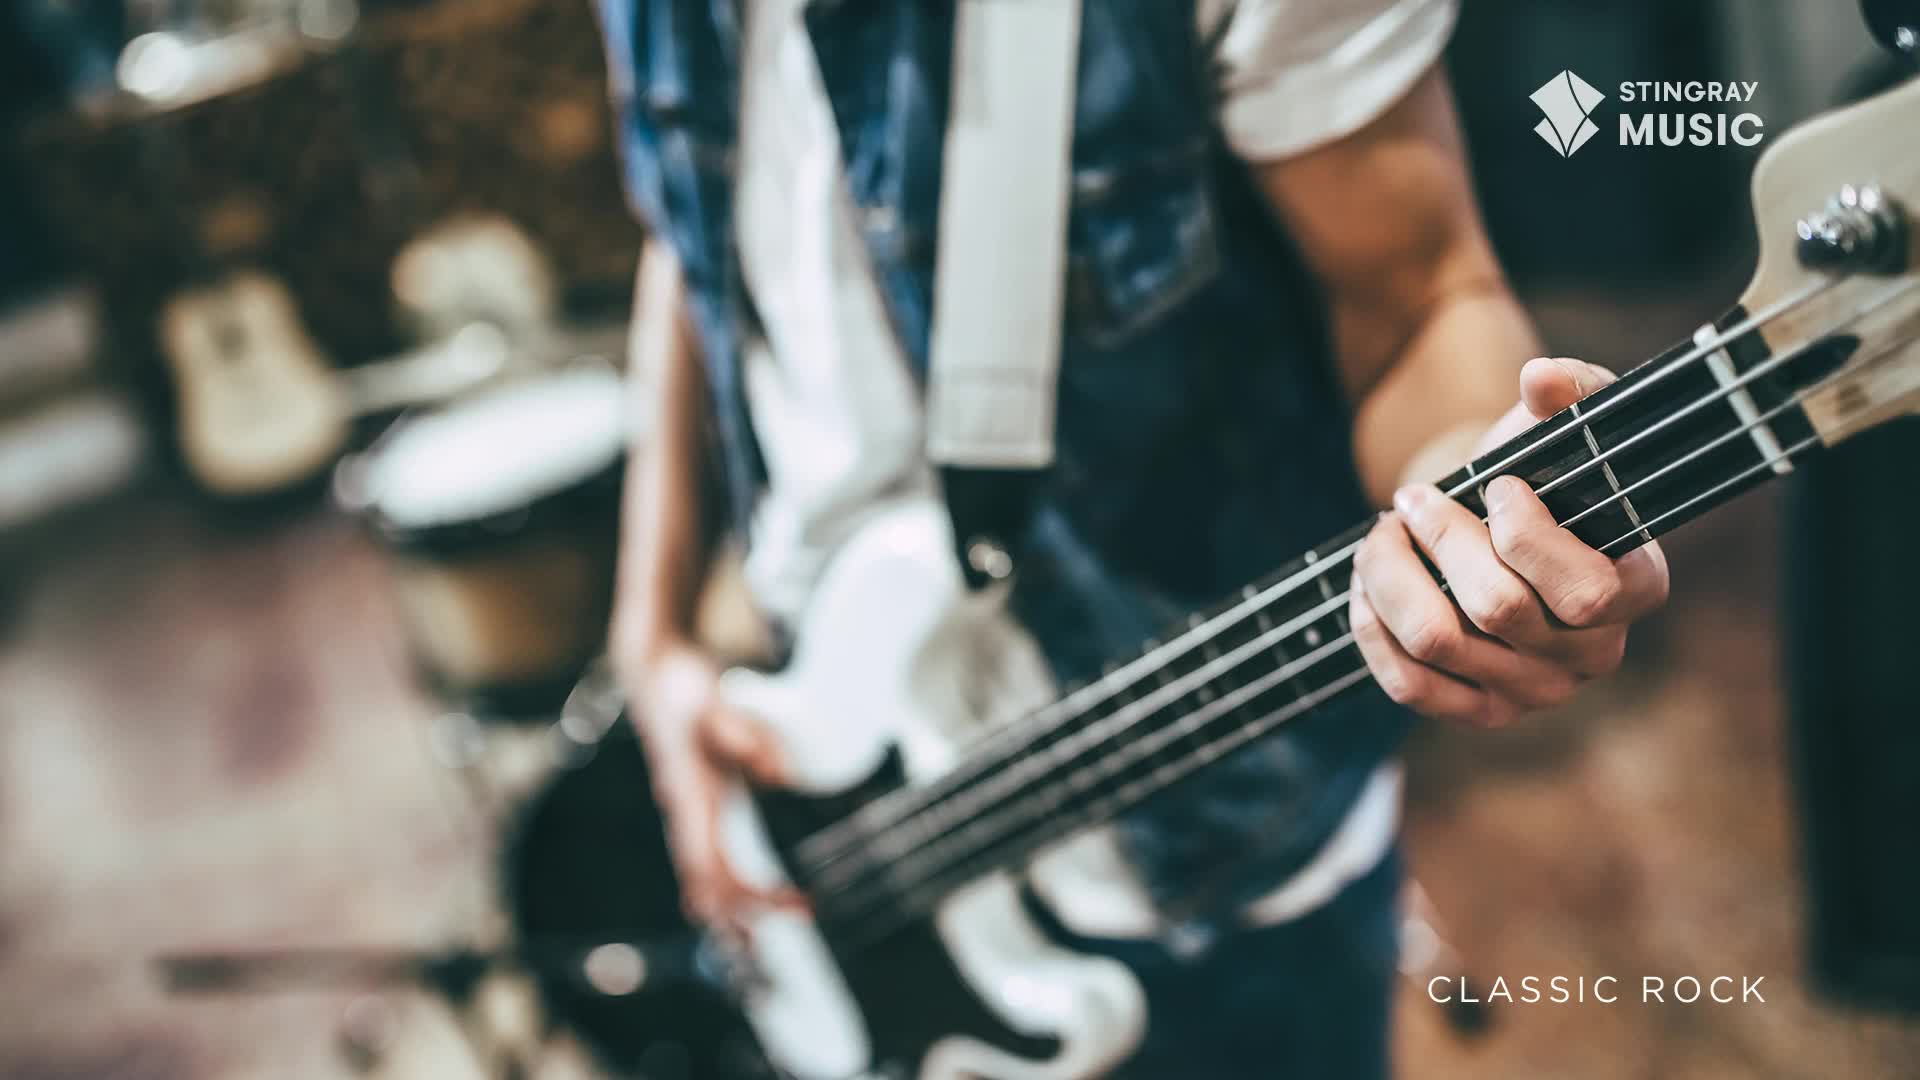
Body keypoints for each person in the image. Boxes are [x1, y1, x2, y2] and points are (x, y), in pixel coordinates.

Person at [600, 0, 1670, 1075]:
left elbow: (1426, 296)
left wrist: (1469, 524)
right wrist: (647, 638)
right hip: (816, 757)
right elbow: (688, 231)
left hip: (1219, 847)